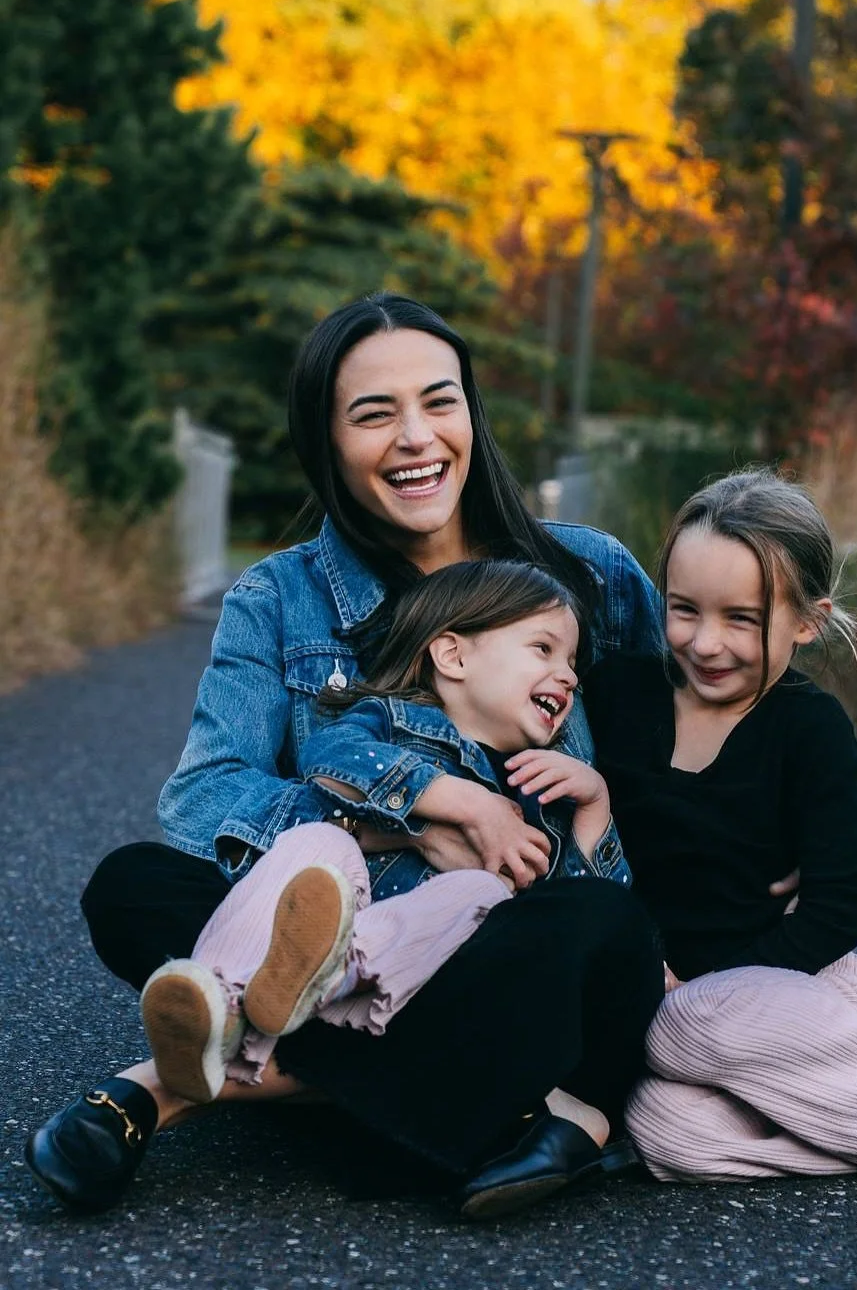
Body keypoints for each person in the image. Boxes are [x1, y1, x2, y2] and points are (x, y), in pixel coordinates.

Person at [26, 293, 665, 1218]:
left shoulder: (591, 573)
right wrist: (410, 824)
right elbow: (206, 797)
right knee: (133, 886)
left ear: (471, 417)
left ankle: (165, 1091)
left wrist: (808, 854)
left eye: (439, 403)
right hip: (348, 932)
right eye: (374, 414)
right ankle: (471, 1106)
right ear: (326, 443)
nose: (417, 438)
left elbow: (670, 765)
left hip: (515, 936)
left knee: (597, 930)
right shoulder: (277, 599)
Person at [572, 470, 857, 1188]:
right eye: (684, 611)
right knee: (664, 1131)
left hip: (795, 984)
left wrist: (691, 983)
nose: (705, 643)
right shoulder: (621, 697)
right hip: (738, 1030)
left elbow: (841, 899)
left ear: (807, 621)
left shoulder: (810, 729)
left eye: (742, 618)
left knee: (680, 1029)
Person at [138, 561, 629, 1144]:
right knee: (313, 842)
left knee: (479, 890)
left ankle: (322, 980)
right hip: (337, 909)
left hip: (411, 975)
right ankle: (215, 1000)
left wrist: (594, 808)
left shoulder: (543, 788)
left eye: (572, 663)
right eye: (543, 649)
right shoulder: (400, 721)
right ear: (453, 657)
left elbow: (585, 908)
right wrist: (465, 804)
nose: (567, 676)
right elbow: (330, 755)